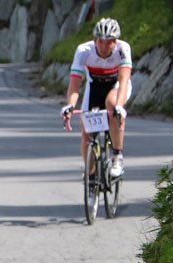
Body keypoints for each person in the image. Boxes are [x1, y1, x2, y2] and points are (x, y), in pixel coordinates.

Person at [61, 18, 132, 178]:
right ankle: (91, 175)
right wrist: (70, 106)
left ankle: (117, 157)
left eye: (109, 42)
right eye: (101, 42)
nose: (105, 46)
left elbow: (124, 79)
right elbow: (75, 83)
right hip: (94, 88)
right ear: (95, 40)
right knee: (87, 134)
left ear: (116, 41)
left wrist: (119, 107)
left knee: (112, 105)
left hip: (117, 87)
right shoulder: (84, 51)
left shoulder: (123, 49)